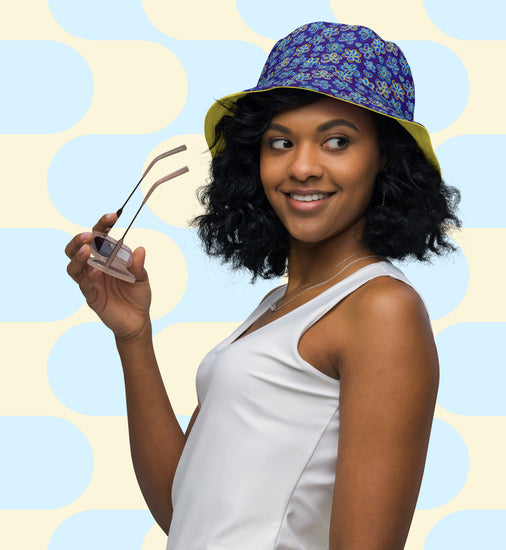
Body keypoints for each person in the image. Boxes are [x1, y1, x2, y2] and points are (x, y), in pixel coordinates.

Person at [66, 21, 460, 550]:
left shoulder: (381, 309)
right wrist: (134, 336)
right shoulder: (278, 306)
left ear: (384, 157)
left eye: (336, 141)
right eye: (281, 142)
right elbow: (184, 511)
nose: (301, 167)